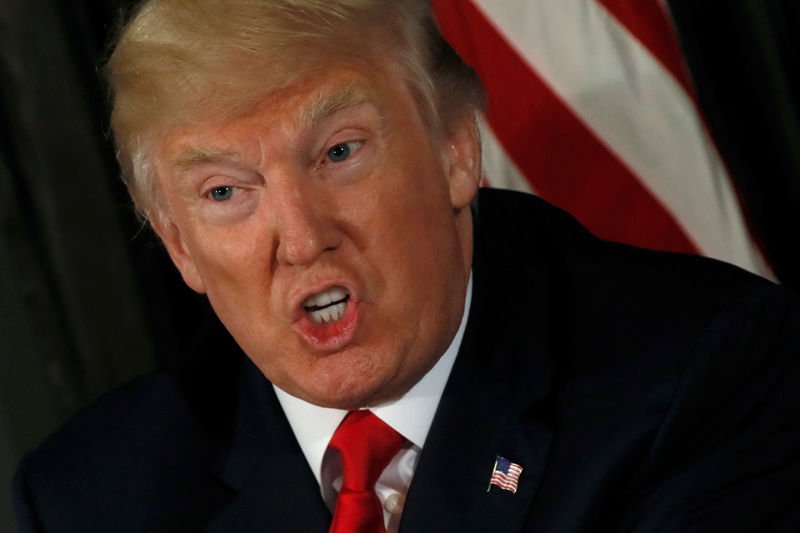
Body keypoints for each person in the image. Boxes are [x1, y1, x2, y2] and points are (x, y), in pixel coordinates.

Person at [13, 0, 800, 531]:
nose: (300, 236)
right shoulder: (90, 497)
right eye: (225, 190)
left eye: (339, 152)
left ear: (457, 149)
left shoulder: (705, 373)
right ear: (180, 245)